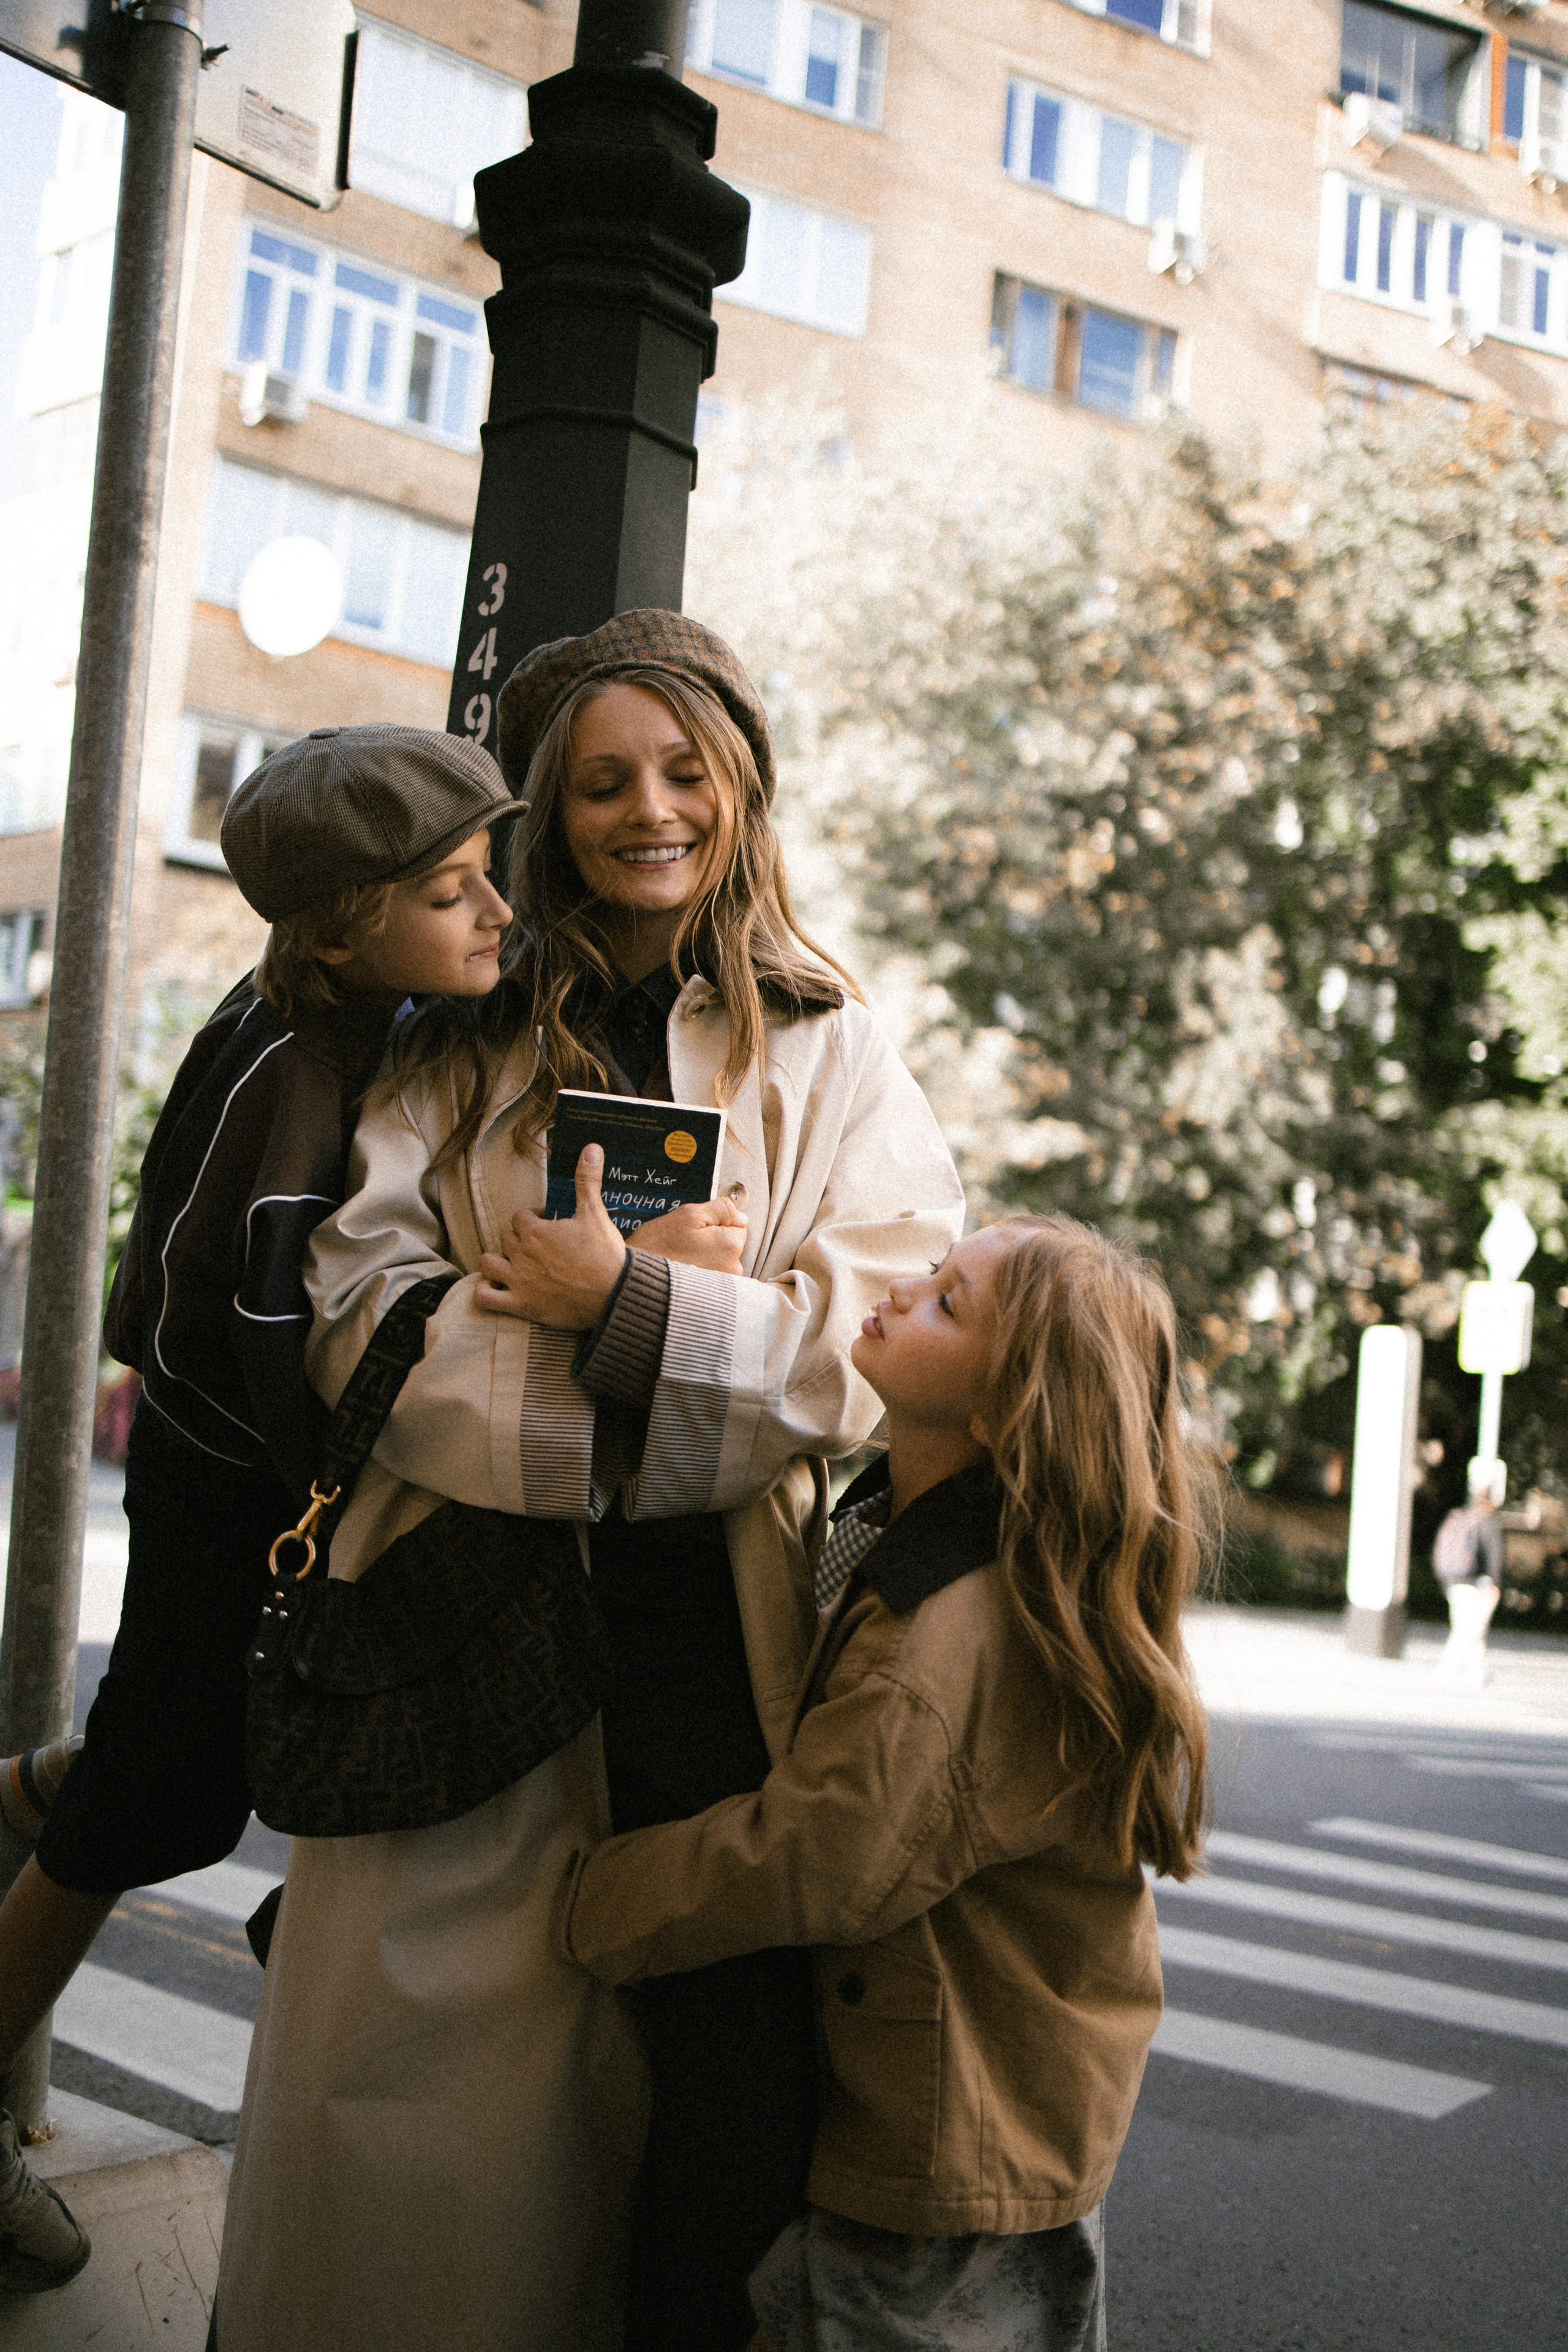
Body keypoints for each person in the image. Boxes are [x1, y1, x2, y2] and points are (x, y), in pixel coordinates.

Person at [211, 610, 965, 2352]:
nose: (652, 812)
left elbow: (866, 1338)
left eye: (686, 772)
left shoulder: (833, 1045)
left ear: (743, 787)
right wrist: (605, 1348)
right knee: (434, 2122)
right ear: (545, 814)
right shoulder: (451, 1037)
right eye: (606, 781)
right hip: (465, 1615)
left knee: (723, 2102)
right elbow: (355, 1318)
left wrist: (622, 1307)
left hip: (729, 1633)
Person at [0, 725, 522, 2296]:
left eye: (490, 873)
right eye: (452, 889)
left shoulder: (342, 1010)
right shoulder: (298, 1062)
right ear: (349, 925)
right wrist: (304, 1456)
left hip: (236, 1476)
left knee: (179, 1761)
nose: (495, 909)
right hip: (224, 1486)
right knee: (158, 1804)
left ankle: (26, 1786)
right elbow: (180, 1303)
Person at [562, 1213, 1213, 2352]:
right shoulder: (921, 1532)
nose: (905, 1291)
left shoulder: (950, 1634)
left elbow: (817, 1856)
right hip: (1011, 2125)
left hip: (940, 2163)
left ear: (1006, 1408)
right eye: (932, 1273)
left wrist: (589, 1902)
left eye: (949, 1302)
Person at [1434, 1467, 1506, 1688]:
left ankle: (1476, 1675)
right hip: (1477, 1583)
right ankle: (1445, 1671)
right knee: (1468, 1630)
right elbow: (1495, 1555)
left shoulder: (1462, 1514)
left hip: (1453, 1581)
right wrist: (1496, 1584)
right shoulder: (1489, 1519)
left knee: (1473, 1627)